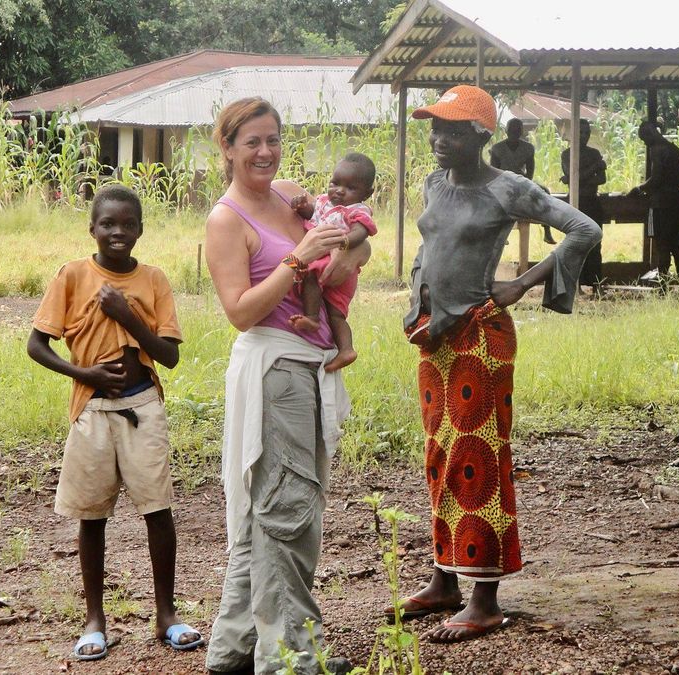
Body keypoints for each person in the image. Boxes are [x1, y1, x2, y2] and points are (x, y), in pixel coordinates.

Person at [398, 85, 601, 643]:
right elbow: (427, 251)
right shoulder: (435, 183)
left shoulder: (508, 188)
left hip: (480, 337)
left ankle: (483, 599)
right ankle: (445, 579)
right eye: (435, 128)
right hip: (435, 338)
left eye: (455, 130)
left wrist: (520, 286)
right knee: (440, 453)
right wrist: (417, 307)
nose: (440, 139)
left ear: (483, 136)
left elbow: (584, 229)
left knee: (476, 459)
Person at [204, 97, 365, 675]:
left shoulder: (291, 194)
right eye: (252, 142)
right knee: (287, 510)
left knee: (262, 512)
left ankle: (233, 649)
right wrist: (297, 260)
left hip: (308, 362)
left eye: (272, 139)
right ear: (226, 147)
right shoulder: (226, 220)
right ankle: (291, 658)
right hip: (276, 370)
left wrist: (346, 249)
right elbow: (241, 312)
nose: (266, 152)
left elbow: (346, 242)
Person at [25, 184, 201, 661]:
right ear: (92, 229)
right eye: (108, 224)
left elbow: (168, 356)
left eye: (127, 224)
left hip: (143, 406)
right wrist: (84, 373)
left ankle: (166, 614)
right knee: (92, 516)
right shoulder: (72, 275)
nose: (118, 232)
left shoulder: (154, 280)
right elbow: (37, 346)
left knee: (157, 510)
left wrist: (127, 315)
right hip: (93, 410)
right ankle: (95, 620)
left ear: (140, 230)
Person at [289, 152, 379, 372]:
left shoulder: (357, 210)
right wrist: (301, 207)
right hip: (326, 259)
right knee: (334, 312)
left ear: (367, 193)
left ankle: (314, 320)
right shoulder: (322, 202)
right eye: (335, 183)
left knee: (310, 278)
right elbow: (312, 215)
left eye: (350, 188)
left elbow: (362, 232)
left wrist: (345, 243)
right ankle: (346, 350)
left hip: (336, 264)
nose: (339, 190)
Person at [630, 120, 679, 279]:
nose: (645, 143)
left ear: (650, 135)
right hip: (678, 202)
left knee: (662, 244)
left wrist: (639, 188)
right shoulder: (674, 149)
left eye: (644, 140)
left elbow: (656, 179)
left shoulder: (657, 149)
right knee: (678, 244)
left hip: (662, 204)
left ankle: (663, 283)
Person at [490, 117, 556, 245]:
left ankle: (547, 231)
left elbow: (530, 170)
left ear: (521, 131)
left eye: (517, 129)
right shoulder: (497, 148)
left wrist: (525, 185)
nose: (515, 132)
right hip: (503, 181)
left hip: (521, 181)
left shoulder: (528, 148)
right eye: (512, 129)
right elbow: (493, 171)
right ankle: (501, 233)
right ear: (506, 131)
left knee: (545, 192)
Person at [559, 119, 607, 288]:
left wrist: (576, 177)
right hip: (576, 203)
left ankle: (596, 284)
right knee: (574, 245)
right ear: (573, 134)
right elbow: (573, 176)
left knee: (595, 244)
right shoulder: (567, 154)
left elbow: (602, 179)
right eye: (581, 132)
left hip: (592, 202)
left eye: (587, 132)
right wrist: (594, 168)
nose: (584, 136)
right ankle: (575, 285)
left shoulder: (594, 153)